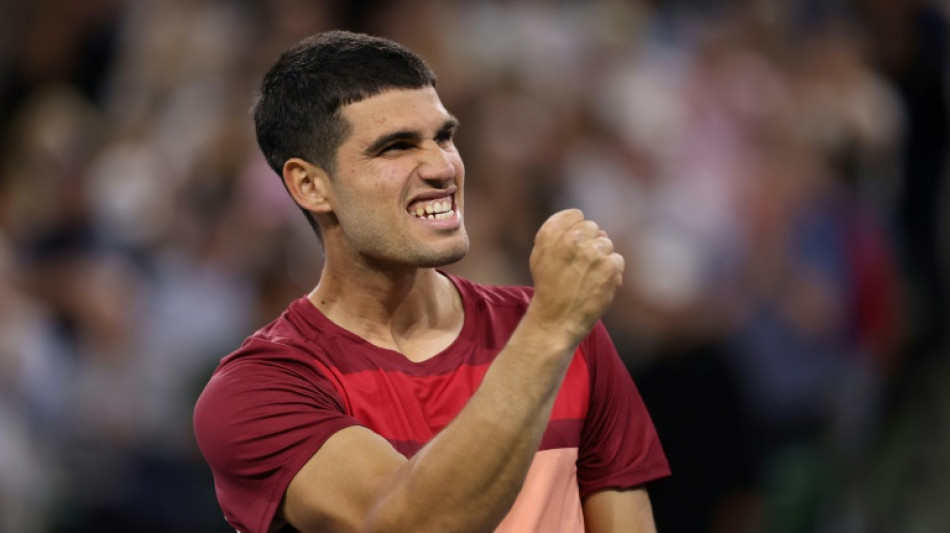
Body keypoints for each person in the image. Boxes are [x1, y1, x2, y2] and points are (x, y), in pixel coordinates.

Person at [193, 30, 670, 533]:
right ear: (311, 185)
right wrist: (549, 330)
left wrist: (554, 329)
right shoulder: (260, 390)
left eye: (443, 137)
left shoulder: (570, 337)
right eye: (396, 147)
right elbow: (409, 523)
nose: (443, 167)